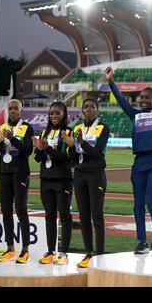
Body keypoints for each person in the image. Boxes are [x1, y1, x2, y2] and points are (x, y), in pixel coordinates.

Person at [105, 62, 152, 254]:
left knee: (151, 200)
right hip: (139, 163)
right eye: (140, 97)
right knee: (138, 204)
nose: (141, 100)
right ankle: (141, 240)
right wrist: (111, 82)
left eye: (146, 97)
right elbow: (121, 101)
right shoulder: (135, 115)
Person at [62, 98, 110, 268]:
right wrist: (71, 146)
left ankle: (101, 253)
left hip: (96, 174)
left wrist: (80, 143)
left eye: (92, 107)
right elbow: (74, 157)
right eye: (86, 107)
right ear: (82, 111)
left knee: (96, 215)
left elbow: (97, 153)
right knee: (83, 216)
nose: (88, 110)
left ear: (97, 110)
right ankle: (89, 252)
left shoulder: (103, 128)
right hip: (80, 174)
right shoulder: (76, 128)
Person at [0, 99, 34, 263]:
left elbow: (28, 150)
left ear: (21, 110)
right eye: (10, 108)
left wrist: (13, 139)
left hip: (20, 173)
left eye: (15, 108)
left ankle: (25, 250)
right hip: (4, 173)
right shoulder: (3, 127)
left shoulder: (27, 128)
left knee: (21, 209)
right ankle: (10, 248)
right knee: (6, 210)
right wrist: (0, 140)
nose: (12, 111)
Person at [33, 102, 73, 265]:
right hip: (46, 180)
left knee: (64, 216)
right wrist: (40, 150)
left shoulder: (68, 132)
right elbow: (37, 158)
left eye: (57, 113)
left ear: (64, 114)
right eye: (51, 113)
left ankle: (63, 252)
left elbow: (66, 158)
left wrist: (47, 148)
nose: (54, 116)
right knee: (49, 216)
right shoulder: (44, 132)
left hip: (62, 180)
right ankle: (50, 251)